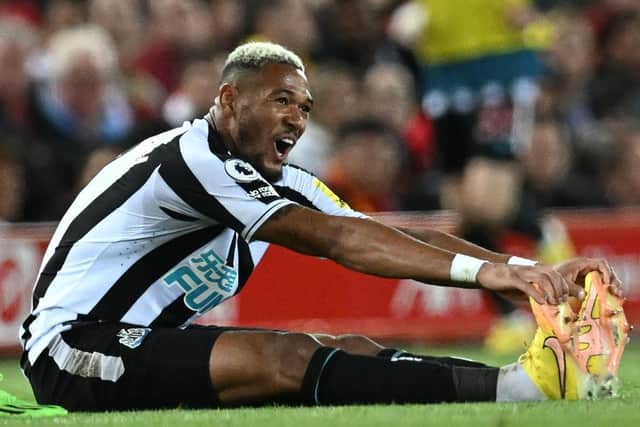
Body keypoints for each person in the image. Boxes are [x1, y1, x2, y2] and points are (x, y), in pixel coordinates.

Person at [20, 42, 626, 412]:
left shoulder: (281, 177)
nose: (297, 118)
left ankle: (523, 383)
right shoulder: (193, 158)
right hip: (74, 346)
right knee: (284, 358)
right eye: (282, 100)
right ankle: (520, 393)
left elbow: (392, 236)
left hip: (137, 341)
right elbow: (339, 242)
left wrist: (524, 271)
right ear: (230, 100)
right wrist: (488, 272)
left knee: (349, 352)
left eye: (305, 107)